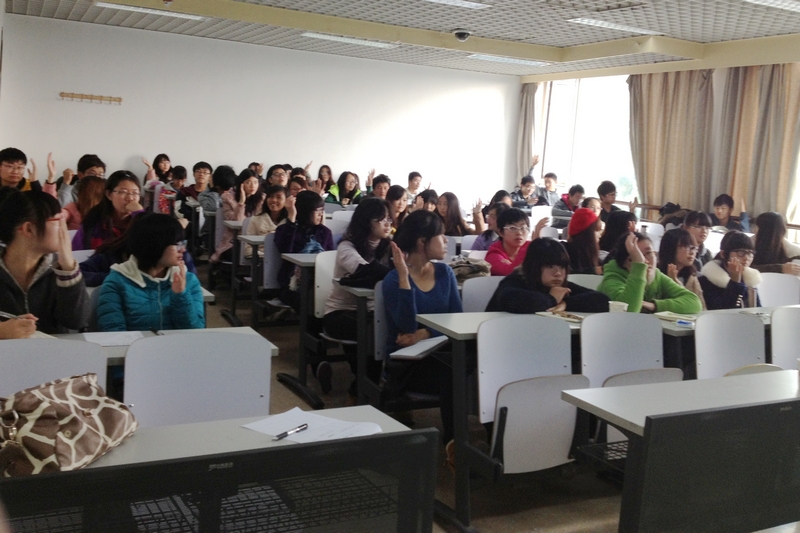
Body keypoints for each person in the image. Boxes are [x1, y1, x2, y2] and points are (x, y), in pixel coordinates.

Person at [381, 209, 461, 446]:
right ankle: (454, 443)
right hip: (408, 365)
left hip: (442, 353)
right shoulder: (393, 280)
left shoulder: (445, 273)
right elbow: (406, 327)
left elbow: (457, 320)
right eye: (441, 236)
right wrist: (404, 279)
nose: (446, 241)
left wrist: (426, 333)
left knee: (467, 364)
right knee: (453, 371)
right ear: (422, 242)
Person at [322, 198, 392, 395]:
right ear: (366, 221)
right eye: (381, 220)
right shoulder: (346, 247)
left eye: (389, 219)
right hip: (339, 313)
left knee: (388, 328)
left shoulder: (387, 247)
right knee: (374, 331)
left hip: (371, 312)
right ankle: (365, 388)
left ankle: (369, 387)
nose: (387, 224)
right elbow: (366, 271)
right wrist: (399, 273)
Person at [0, 188, 90, 338]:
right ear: (29, 229)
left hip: (53, 351)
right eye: (58, 221)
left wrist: (68, 269)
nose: (64, 229)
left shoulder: (60, 269)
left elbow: (76, 321)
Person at [97, 214, 204, 331]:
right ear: (156, 244)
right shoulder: (117, 281)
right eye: (177, 244)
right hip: (135, 343)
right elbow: (113, 332)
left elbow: (196, 331)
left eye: (183, 243)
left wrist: (180, 296)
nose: (183, 249)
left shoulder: (188, 280)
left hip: (177, 343)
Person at [486, 237, 609, 313]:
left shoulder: (560, 287)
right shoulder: (514, 281)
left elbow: (603, 300)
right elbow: (518, 302)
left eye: (562, 267)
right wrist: (552, 299)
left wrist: (566, 303)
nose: (558, 273)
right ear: (534, 266)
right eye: (550, 266)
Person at [598, 232, 702, 314]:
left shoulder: (657, 275)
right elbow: (629, 312)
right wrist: (638, 266)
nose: (646, 261)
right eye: (637, 256)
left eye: (648, 253)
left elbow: (694, 302)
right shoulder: (613, 278)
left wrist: (654, 305)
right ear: (624, 262)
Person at [274, 190, 334, 311]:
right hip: (291, 284)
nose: (321, 215)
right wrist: (291, 218)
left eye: (322, 211)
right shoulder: (285, 230)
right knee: (308, 299)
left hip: (319, 280)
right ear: (305, 212)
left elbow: (329, 258)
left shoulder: (324, 232)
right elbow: (285, 250)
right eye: (317, 211)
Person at [73, 171, 143, 250]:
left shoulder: (141, 220)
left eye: (135, 193)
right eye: (123, 192)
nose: (130, 198)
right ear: (109, 194)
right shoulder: (93, 221)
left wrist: (141, 215)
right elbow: (78, 252)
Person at [210, 168, 265, 262]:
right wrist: (241, 203)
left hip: (256, 238)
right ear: (241, 184)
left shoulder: (262, 198)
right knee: (237, 254)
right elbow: (238, 222)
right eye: (248, 182)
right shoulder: (228, 198)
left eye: (256, 182)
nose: (253, 186)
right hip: (234, 240)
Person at [699, 231, 762, 309]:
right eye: (741, 252)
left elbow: (758, 309)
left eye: (750, 253)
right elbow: (722, 310)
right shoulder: (707, 280)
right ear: (723, 254)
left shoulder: (749, 279)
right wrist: (735, 282)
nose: (746, 258)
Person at [486, 207, 547, 276]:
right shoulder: (494, 254)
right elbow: (510, 273)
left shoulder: (530, 246)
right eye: (512, 228)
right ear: (501, 232)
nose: (519, 233)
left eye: (523, 228)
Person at [657, 228, 706, 309]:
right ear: (671, 248)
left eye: (694, 248)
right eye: (687, 247)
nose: (692, 253)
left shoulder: (691, 277)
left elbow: (701, 308)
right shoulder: (656, 273)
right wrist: (671, 284)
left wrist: (678, 284)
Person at [243, 185, 292, 258]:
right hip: (260, 259)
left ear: (286, 200)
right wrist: (266, 256)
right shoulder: (255, 220)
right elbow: (248, 249)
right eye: (271, 196)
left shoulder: (290, 222)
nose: (274, 200)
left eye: (279, 197)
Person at [563, 207, 602, 275]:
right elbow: (568, 274)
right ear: (587, 233)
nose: (600, 235)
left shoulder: (593, 255)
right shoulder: (563, 252)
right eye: (596, 231)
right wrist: (594, 271)